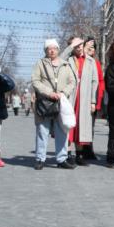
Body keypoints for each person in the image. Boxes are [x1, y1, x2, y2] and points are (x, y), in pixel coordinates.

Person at [32, 38, 78, 169]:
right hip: (45, 102)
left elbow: (72, 81)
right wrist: (49, 92)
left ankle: (61, 159)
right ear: (45, 50)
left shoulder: (65, 64)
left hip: (61, 102)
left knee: (62, 131)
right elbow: (35, 81)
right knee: (42, 131)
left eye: (54, 48)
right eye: (49, 48)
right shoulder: (40, 63)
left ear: (58, 49)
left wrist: (63, 93)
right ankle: (40, 159)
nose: (52, 50)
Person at [65, 38, 102, 165]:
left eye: (80, 45)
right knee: (69, 126)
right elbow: (59, 59)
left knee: (82, 127)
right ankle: (68, 154)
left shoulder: (91, 61)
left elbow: (95, 81)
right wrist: (70, 47)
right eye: (75, 45)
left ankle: (79, 155)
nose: (79, 47)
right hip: (70, 98)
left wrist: (93, 101)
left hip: (85, 99)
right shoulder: (67, 60)